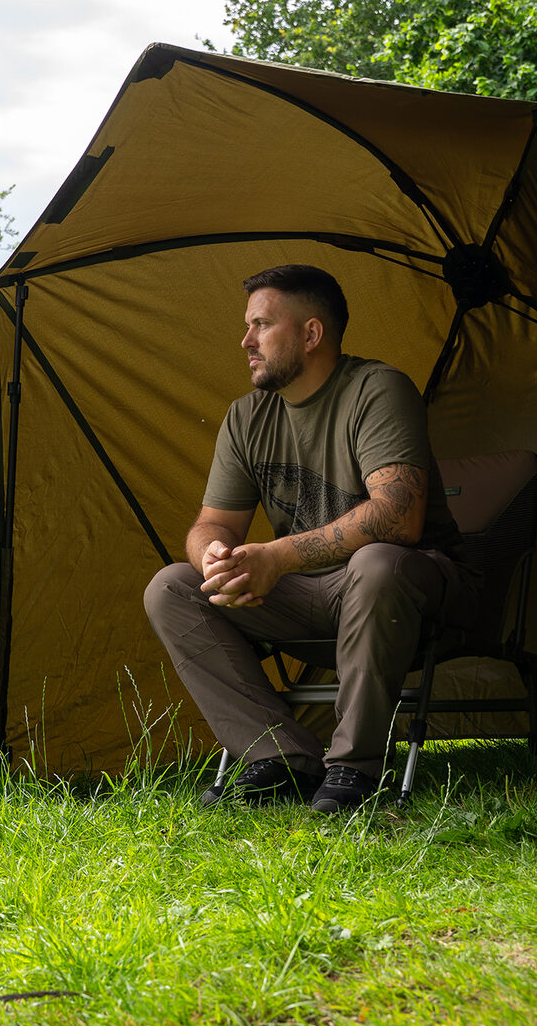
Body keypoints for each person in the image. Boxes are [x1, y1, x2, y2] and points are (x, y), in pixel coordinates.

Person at [142, 264, 476, 812]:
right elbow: (212, 523)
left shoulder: (377, 389)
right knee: (171, 588)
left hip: (407, 590)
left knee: (376, 562)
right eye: (248, 327)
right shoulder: (246, 417)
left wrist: (277, 556)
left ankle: (352, 769)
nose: (245, 341)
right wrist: (215, 558)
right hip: (306, 596)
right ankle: (278, 759)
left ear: (311, 333)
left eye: (261, 325)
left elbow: (398, 517)